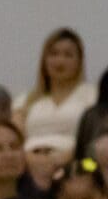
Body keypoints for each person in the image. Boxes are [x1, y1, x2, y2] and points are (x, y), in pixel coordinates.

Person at [18, 27, 96, 159]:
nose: (60, 61)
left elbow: (95, 138)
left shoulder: (92, 95)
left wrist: (60, 160)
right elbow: (14, 139)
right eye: (54, 54)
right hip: (29, 162)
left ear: (79, 61)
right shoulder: (26, 100)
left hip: (74, 161)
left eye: (68, 55)